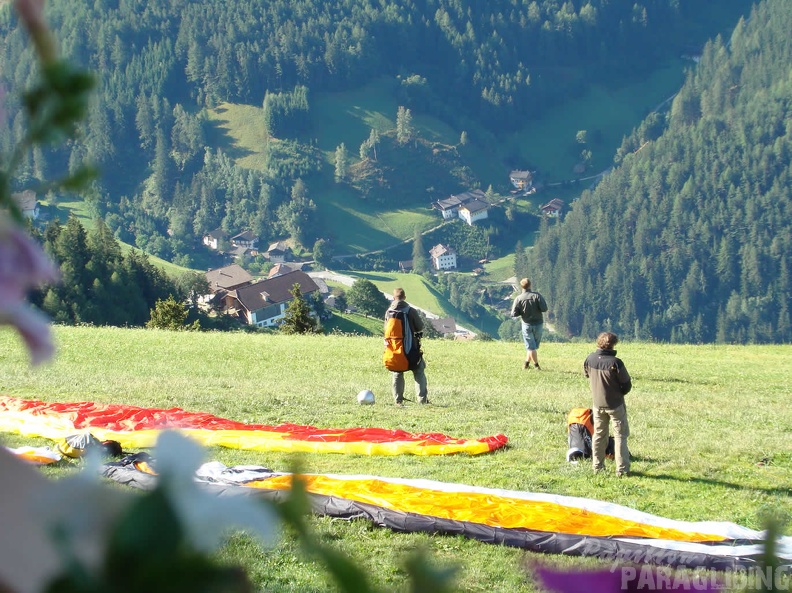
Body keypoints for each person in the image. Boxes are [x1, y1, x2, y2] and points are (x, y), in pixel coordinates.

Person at [583, 332, 633, 477]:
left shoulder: (590, 359)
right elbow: (626, 384)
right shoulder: (616, 363)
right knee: (620, 436)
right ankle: (622, 469)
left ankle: (597, 467)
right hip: (615, 404)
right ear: (613, 345)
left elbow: (587, 374)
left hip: (598, 404)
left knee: (599, 434)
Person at [385, 288, 429, 406]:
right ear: (404, 297)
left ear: (394, 298)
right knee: (419, 370)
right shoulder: (410, 311)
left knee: (397, 373)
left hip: (394, 350)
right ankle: (422, 400)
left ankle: (398, 401)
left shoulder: (389, 312)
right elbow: (420, 327)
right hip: (410, 349)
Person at [510, 278, 548, 369]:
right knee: (533, 346)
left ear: (521, 286)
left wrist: (522, 311)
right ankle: (534, 365)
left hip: (526, 324)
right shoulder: (537, 296)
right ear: (530, 285)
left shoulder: (518, 298)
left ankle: (528, 364)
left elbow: (514, 314)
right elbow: (544, 309)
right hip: (538, 324)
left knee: (531, 347)